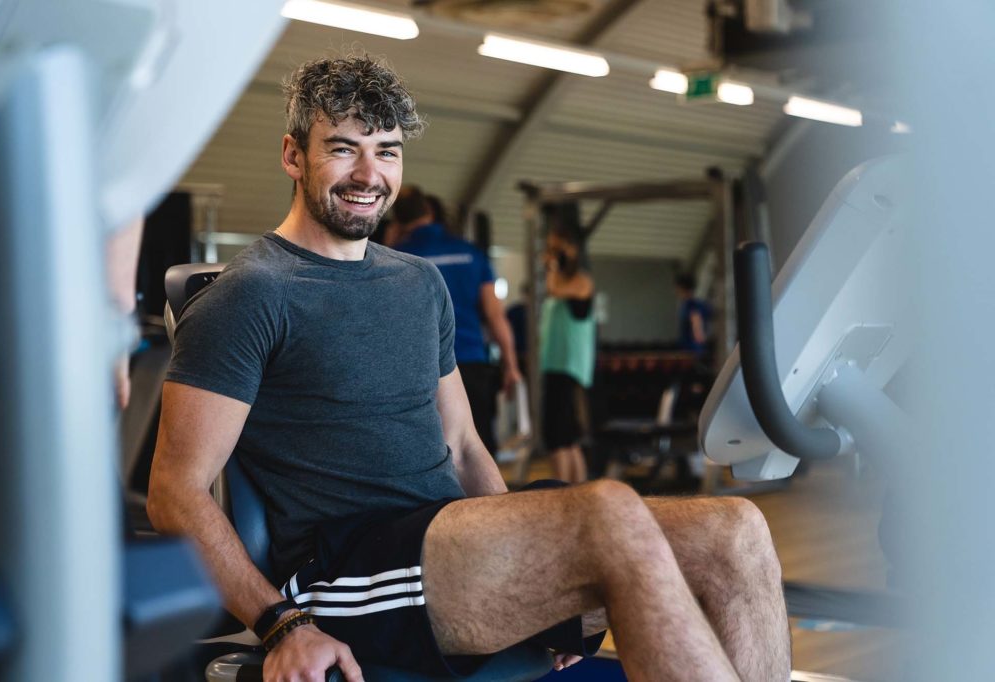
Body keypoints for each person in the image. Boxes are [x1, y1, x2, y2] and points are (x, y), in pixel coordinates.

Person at [147, 55, 790, 682]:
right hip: (350, 568)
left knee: (735, 531)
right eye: (343, 149)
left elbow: (461, 446)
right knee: (608, 513)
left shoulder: (419, 282)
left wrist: (539, 587)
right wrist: (282, 624)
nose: (369, 174)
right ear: (294, 155)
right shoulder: (251, 292)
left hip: (448, 546)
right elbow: (174, 492)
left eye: (388, 151)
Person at [391, 185, 521, 455]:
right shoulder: (470, 253)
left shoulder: (397, 257)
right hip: (472, 362)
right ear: (429, 211)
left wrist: (391, 242)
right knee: (479, 444)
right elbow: (495, 316)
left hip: (422, 368)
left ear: (398, 220)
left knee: (431, 450)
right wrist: (511, 365)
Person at [540, 232, 597, 485]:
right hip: (555, 366)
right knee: (563, 436)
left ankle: (564, 491)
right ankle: (573, 490)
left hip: (570, 368)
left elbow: (554, 289)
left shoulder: (582, 281)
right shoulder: (563, 282)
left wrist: (552, 264)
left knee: (562, 437)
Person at [675, 272, 711, 355]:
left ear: (682, 288)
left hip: (693, 351)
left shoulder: (692, 305)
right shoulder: (686, 305)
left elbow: (698, 331)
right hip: (689, 349)